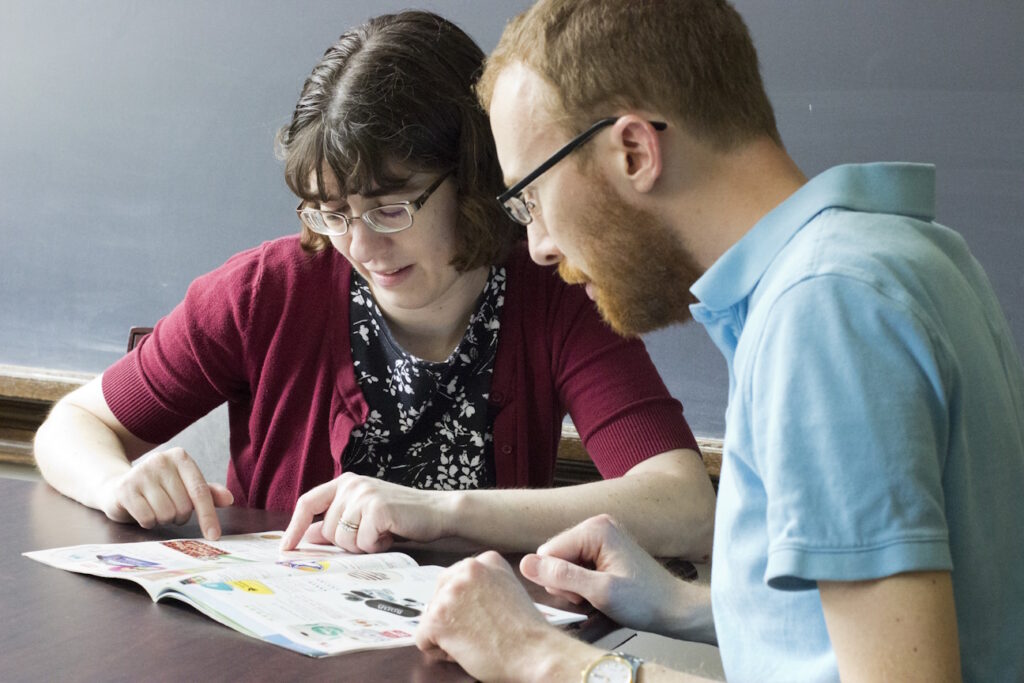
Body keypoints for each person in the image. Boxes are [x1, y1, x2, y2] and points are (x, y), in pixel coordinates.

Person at [415, 0, 1024, 681]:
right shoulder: (906, 254)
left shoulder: (821, 312)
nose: (537, 246)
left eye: (531, 196)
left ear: (635, 150)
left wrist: (541, 656)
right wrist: (682, 603)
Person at [32, 10, 715, 561]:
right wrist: (115, 482)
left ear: (470, 177)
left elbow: (684, 506)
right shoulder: (262, 293)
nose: (359, 245)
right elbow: (74, 423)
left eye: (391, 208)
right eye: (331, 213)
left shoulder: (556, 295)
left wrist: (443, 511)